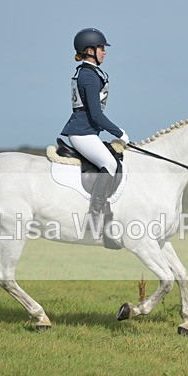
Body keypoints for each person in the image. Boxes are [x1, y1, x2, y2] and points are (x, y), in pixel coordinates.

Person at [60, 27, 129, 237]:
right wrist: (120, 133)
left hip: (88, 131)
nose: (104, 52)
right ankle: (94, 216)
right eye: (101, 48)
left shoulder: (90, 73)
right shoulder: (88, 76)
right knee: (109, 163)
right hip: (82, 133)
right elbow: (96, 115)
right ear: (89, 50)